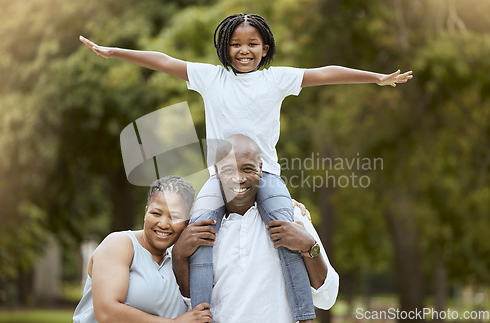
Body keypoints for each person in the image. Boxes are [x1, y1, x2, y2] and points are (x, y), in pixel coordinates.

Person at [79, 13, 411, 321]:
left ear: (265, 48)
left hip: (266, 176)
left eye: (252, 44)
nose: (243, 51)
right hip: (216, 178)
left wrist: (375, 77)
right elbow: (164, 61)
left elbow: (324, 73)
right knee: (199, 235)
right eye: (236, 44)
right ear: (225, 47)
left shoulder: (276, 80)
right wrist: (115, 52)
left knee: (287, 231)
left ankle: (302, 313)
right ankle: (200, 311)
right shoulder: (211, 78)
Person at [171, 134, 339, 323]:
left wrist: (309, 246)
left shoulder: (292, 218)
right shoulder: (199, 231)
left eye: (247, 169)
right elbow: (184, 307)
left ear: (260, 169)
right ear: (216, 172)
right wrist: (178, 255)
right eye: (228, 170)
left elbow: (327, 298)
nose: (239, 178)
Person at [73, 176, 213, 323]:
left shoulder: (179, 258)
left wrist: (180, 256)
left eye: (174, 216)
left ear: (187, 222)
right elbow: (107, 313)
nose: (164, 224)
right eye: (156, 213)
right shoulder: (119, 244)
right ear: (146, 212)